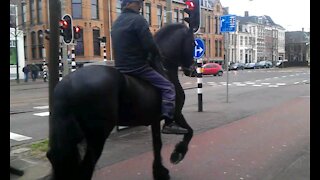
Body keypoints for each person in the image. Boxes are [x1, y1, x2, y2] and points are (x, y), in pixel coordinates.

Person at [111, 0, 188, 134]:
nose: (140, 6)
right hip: (137, 67)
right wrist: (157, 54)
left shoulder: (117, 22)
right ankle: (169, 122)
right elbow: (149, 45)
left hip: (120, 67)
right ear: (130, 4)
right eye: (138, 3)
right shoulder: (138, 20)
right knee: (168, 87)